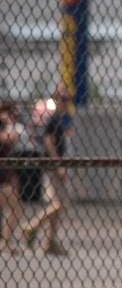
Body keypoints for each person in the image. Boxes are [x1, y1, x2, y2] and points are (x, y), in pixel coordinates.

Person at [23, 86, 71, 255]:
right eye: (63, 99)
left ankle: (49, 241)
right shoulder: (53, 118)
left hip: (55, 164)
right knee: (61, 203)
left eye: (67, 100)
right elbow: (48, 141)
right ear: (56, 99)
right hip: (53, 166)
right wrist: (58, 165)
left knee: (57, 204)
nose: (66, 103)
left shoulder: (60, 118)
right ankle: (32, 226)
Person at [0, 101, 24, 256]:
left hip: (3, 176)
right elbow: (10, 138)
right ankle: (5, 242)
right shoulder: (3, 128)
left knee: (15, 206)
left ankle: (6, 242)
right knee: (15, 206)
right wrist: (8, 122)